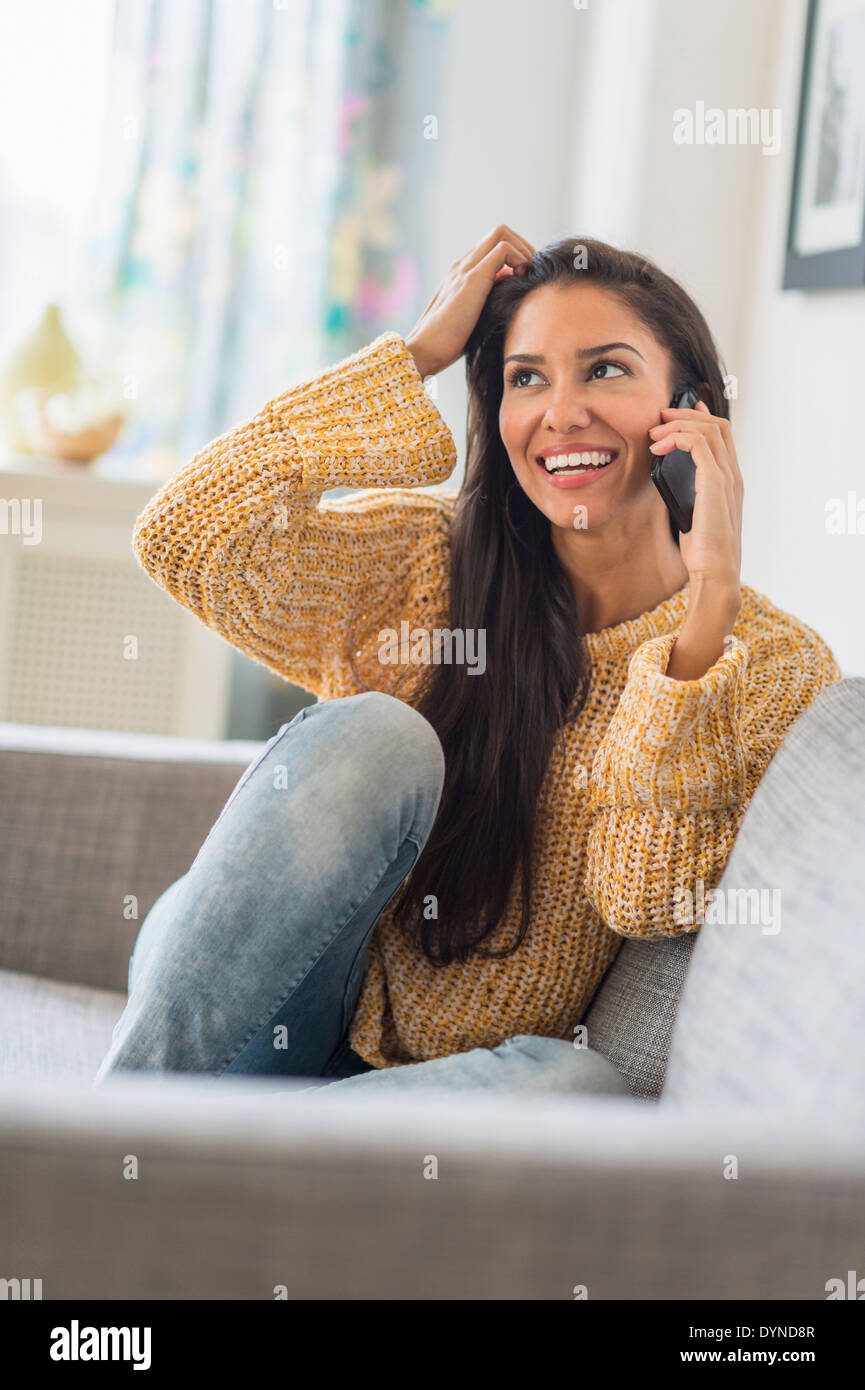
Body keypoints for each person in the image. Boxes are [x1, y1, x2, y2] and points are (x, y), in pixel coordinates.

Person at [94, 229, 841, 1096]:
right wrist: (411, 357)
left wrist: (706, 606)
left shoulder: (774, 664)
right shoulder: (425, 561)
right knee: (373, 735)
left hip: (440, 1090)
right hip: (267, 1003)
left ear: (691, 410)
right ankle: (113, 1144)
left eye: (604, 370)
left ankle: (175, 1162)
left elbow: (649, 898)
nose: (561, 413)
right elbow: (190, 535)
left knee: (578, 1089)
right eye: (526, 378)